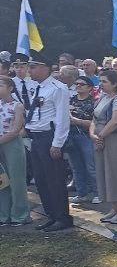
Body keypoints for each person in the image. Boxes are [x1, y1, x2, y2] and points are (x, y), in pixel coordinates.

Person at [23, 52, 73, 232]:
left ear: (45, 68)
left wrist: (57, 143)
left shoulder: (57, 88)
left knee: (55, 179)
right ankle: (51, 215)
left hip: (49, 138)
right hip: (36, 138)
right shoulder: (36, 87)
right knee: (41, 180)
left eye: (33, 67)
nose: (29, 71)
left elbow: (62, 118)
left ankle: (62, 217)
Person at [90, 70, 117, 224]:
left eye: (104, 81)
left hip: (114, 139)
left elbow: (115, 121)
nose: (101, 84)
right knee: (105, 173)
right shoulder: (102, 98)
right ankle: (114, 208)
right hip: (100, 139)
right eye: (100, 81)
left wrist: (100, 136)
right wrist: (93, 135)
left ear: (114, 84)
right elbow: (94, 119)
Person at [0, 76, 29, 225]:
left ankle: (20, 214)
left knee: (17, 179)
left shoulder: (17, 105)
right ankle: (3, 214)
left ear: (10, 88)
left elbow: (16, 129)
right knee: (2, 181)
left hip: (12, 144)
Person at [67, 76, 99, 204]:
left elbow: (95, 123)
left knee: (91, 166)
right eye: (77, 84)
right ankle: (82, 193)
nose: (78, 86)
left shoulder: (94, 102)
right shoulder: (71, 100)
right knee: (76, 166)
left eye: (82, 84)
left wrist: (77, 121)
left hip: (86, 137)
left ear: (90, 87)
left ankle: (97, 193)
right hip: (71, 135)